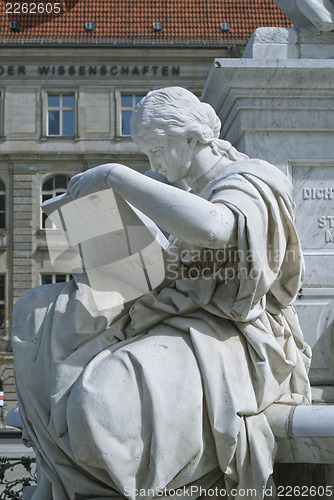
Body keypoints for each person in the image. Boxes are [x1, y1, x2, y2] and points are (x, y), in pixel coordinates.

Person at [12, 87, 311, 500]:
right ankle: (69, 476)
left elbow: (217, 228)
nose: (152, 162)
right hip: (165, 312)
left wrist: (116, 176)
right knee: (37, 311)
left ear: (190, 138)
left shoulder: (251, 178)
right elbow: (160, 266)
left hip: (230, 332)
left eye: (156, 149)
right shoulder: (182, 190)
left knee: (102, 395)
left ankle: (120, 482)